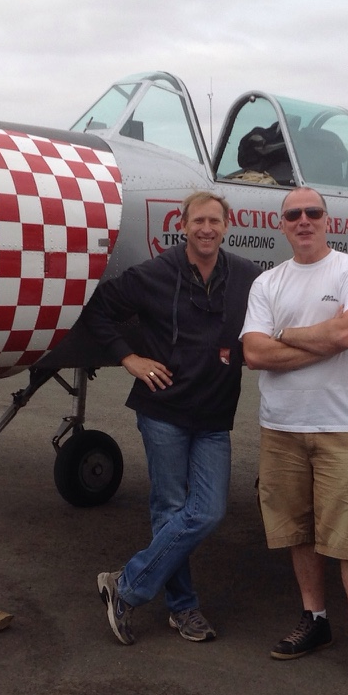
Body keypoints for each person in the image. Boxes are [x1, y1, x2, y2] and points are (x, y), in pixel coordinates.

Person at [81, 191, 259, 645]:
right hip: (163, 412)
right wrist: (129, 358)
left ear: (226, 225)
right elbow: (98, 310)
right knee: (170, 511)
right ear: (182, 225)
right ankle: (182, 608)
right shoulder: (155, 274)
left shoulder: (245, 276)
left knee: (209, 510)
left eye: (214, 221)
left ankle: (126, 584)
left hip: (214, 418)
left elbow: (276, 318)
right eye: (197, 221)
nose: (206, 229)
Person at [240, 186, 348, 691]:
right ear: (280, 225)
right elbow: (254, 354)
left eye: (312, 213)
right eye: (293, 215)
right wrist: (317, 337)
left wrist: (283, 335)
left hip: (341, 427)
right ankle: (316, 620)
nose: (303, 220)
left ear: (328, 220)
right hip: (280, 427)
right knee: (297, 532)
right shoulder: (267, 282)